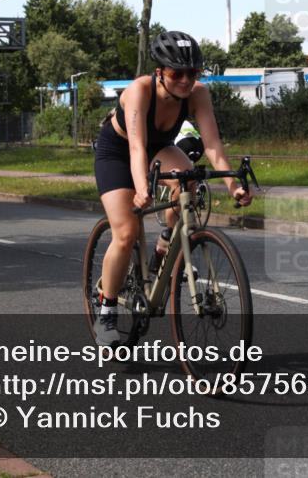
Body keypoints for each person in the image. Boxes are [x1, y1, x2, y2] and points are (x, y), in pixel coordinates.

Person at [92, 30, 253, 346]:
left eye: (192, 73)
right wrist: (141, 189)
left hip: (159, 147)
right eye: (176, 73)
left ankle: (166, 242)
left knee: (189, 180)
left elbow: (213, 145)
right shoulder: (140, 91)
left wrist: (233, 186)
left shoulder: (198, 93)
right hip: (118, 150)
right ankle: (107, 309)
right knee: (125, 233)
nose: (184, 80)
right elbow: (136, 148)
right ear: (159, 72)